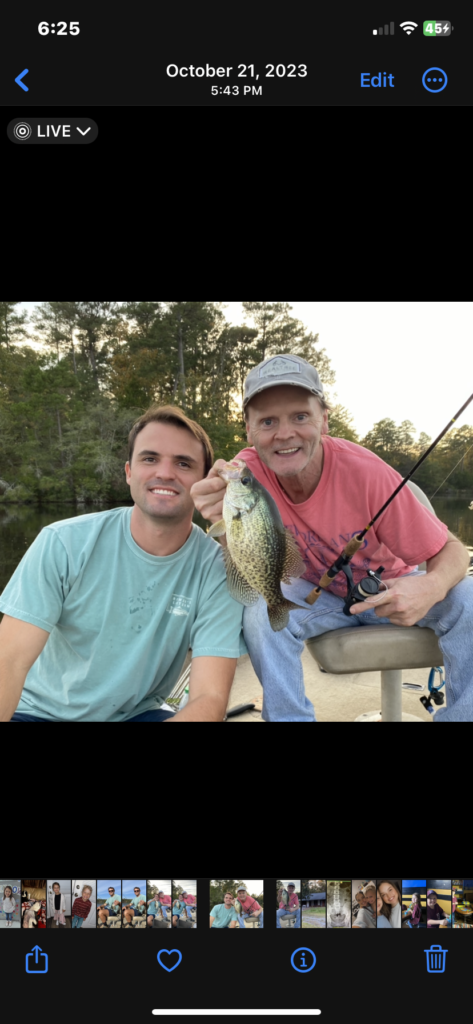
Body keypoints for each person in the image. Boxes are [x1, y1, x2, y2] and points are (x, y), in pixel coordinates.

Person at [191, 354, 473, 722]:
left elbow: (453, 551)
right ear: (249, 428)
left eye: (300, 416)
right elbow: (248, 562)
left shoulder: (367, 473)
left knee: (468, 597)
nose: (284, 433)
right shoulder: (244, 475)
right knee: (262, 611)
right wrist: (221, 520)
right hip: (314, 596)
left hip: (391, 591)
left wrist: (430, 587)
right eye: (268, 421)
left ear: (324, 419)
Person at [0, 406, 246, 723]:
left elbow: (208, 698)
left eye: (183, 463)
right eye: (150, 458)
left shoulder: (216, 568)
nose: (165, 473)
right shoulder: (63, 543)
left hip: (137, 715)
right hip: (37, 713)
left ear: (205, 481)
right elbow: (9, 661)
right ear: (129, 472)